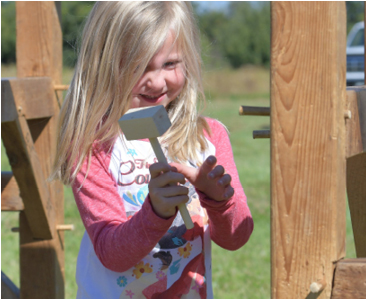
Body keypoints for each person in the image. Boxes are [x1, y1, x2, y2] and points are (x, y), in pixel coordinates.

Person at [52, 2, 253, 298]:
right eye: (139, 66)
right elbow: (113, 254)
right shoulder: (92, 145)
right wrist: (156, 212)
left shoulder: (208, 138)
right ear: (103, 64)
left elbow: (237, 237)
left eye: (170, 64)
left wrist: (219, 200)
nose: (158, 81)